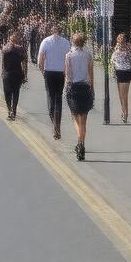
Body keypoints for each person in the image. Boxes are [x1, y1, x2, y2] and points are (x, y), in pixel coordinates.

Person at [64, 32, 95, 161]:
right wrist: (92, 88)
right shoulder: (88, 55)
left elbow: (67, 73)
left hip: (74, 87)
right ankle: (82, 143)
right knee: (84, 120)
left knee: (75, 117)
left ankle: (79, 143)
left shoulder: (69, 55)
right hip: (85, 87)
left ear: (73, 41)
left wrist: (66, 87)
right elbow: (91, 73)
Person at [38, 24, 71, 140]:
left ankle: (55, 125)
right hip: (61, 73)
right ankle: (57, 125)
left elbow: (40, 60)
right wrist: (67, 73)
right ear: (60, 31)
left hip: (49, 73)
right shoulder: (66, 43)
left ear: (52, 31)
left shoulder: (45, 42)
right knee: (58, 99)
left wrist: (43, 72)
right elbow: (69, 59)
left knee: (51, 98)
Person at [0, 30, 28, 120]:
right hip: (14, 73)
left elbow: (3, 62)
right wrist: (25, 75)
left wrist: (3, 72)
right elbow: (24, 62)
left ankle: (10, 111)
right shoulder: (19, 49)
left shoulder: (6, 48)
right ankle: (12, 111)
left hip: (11, 74)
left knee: (9, 93)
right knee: (14, 93)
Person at [111, 33, 131, 124]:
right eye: (119, 40)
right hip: (118, 71)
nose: (121, 42)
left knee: (124, 95)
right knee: (120, 95)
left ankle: (125, 114)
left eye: (122, 40)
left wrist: (125, 50)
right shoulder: (116, 48)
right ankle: (123, 110)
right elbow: (113, 59)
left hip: (126, 71)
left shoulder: (128, 48)